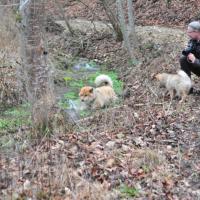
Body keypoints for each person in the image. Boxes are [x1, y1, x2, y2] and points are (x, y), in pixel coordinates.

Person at [180, 21, 200, 94]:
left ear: (197, 32)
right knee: (183, 59)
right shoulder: (193, 41)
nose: (188, 34)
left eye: (190, 32)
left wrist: (195, 60)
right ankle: (188, 89)